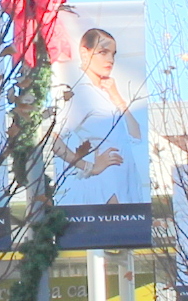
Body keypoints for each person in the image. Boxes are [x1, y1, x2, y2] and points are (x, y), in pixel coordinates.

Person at [51, 26, 147, 207]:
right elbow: (53, 140)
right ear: (85, 53)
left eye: (113, 54)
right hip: (107, 184)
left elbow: (136, 135)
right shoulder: (81, 93)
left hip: (127, 180)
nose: (110, 60)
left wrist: (118, 98)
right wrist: (89, 167)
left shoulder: (105, 94)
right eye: (103, 52)